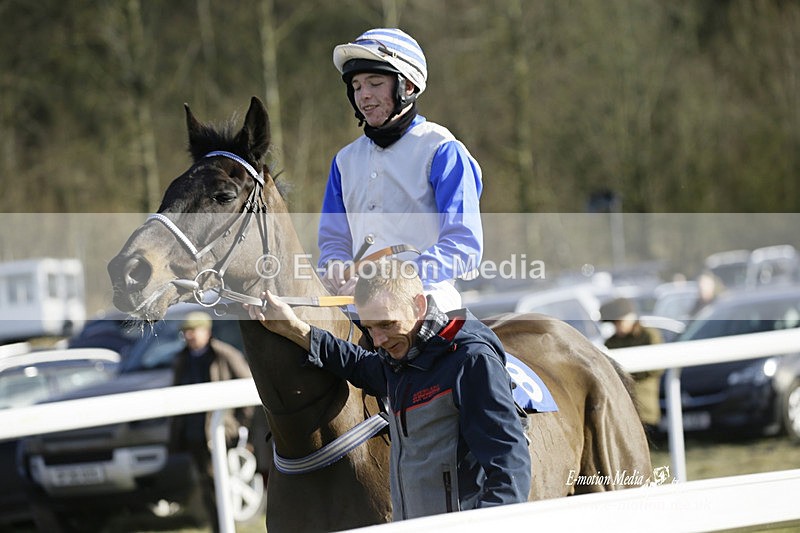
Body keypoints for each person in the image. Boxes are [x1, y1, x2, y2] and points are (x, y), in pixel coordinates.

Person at [247, 260, 531, 521]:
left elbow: (510, 467)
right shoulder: (401, 358)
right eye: (369, 328)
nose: (379, 339)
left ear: (419, 305)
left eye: (387, 324)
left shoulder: (471, 361)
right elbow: (357, 364)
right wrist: (295, 329)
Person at [318, 28, 484, 312]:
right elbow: (333, 241)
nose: (364, 96)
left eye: (374, 83)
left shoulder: (443, 149)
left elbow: (464, 246)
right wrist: (335, 264)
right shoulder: (343, 161)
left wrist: (390, 282)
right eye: (357, 87)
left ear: (407, 86)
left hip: (427, 302)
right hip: (354, 305)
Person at [170, 311, 254, 531]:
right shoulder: (181, 360)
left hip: (221, 435)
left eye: (193, 331)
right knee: (207, 486)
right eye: (185, 332)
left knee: (221, 485)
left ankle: (224, 526)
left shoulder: (225, 354)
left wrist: (239, 426)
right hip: (194, 435)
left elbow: (248, 390)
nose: (189, 336)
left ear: (206, 331)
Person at [600, 297, 664, 433]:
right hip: (622, 410)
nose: (617, 327)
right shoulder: (611, 342)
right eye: (614, 323)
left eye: (619, 322)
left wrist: (626, 374)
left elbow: (656, 367)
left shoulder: (649, 335)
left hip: (645, 409)